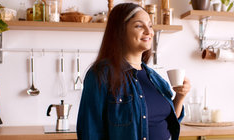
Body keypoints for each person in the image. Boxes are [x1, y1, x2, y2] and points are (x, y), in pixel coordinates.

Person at [76, 3, 191, 140]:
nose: (149, 32)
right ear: (120, 31)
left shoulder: (154, 78)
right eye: (139, 26)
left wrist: (180, 96)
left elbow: (169, 121)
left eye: (150, 25)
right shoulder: (101, 74)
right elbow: (90, 132)